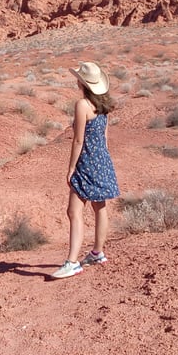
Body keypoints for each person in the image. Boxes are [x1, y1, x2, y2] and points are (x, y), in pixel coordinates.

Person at [51, 61, 120, 279]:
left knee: (74, 212)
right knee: (100, 207)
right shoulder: (103, 106)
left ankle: (72, 263)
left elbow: (78, 140)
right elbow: (105, 138)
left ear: (82, 83)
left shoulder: (82, 105)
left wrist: (71, 168)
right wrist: (103, 161)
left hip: (87, 162)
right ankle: (97, 253)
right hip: (102, 160)